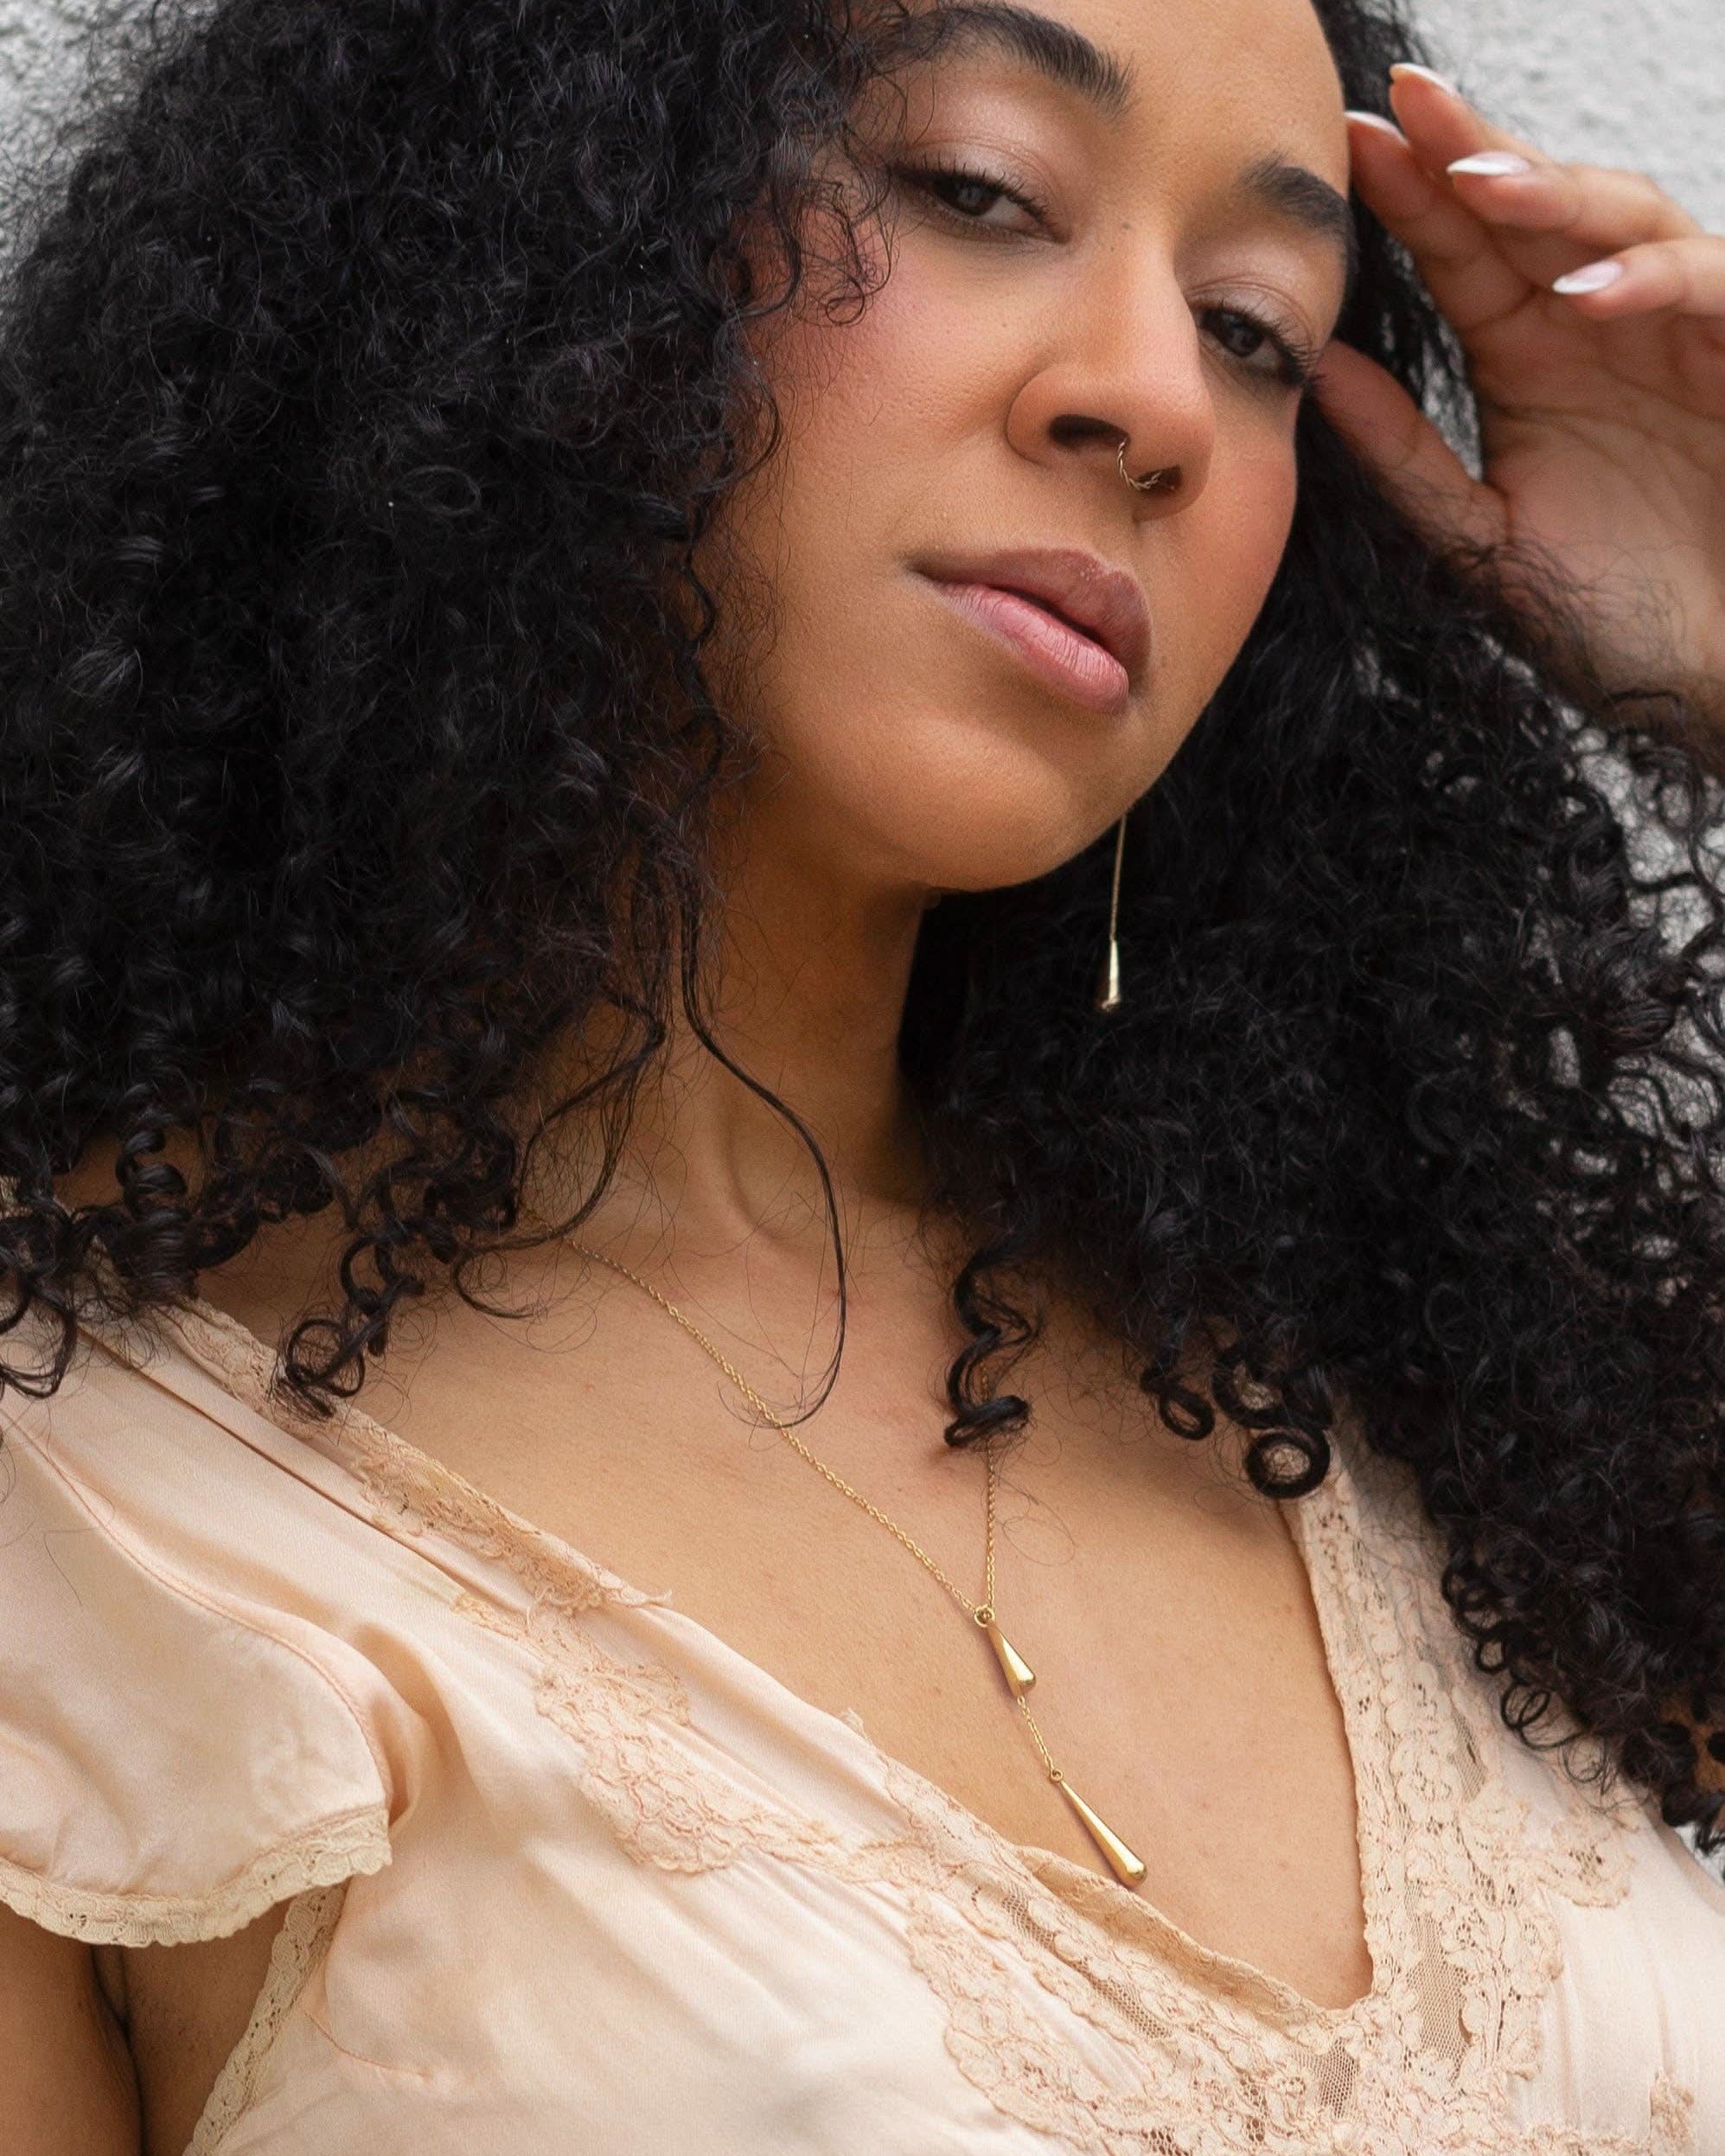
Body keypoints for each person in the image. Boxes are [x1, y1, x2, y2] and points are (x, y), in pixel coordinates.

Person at [0, 0, 1722, 2146]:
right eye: (978, 191)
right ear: (544, 210)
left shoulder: (1422, 1363)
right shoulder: (78, 1508)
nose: (1149, 399)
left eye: (1258, 326)